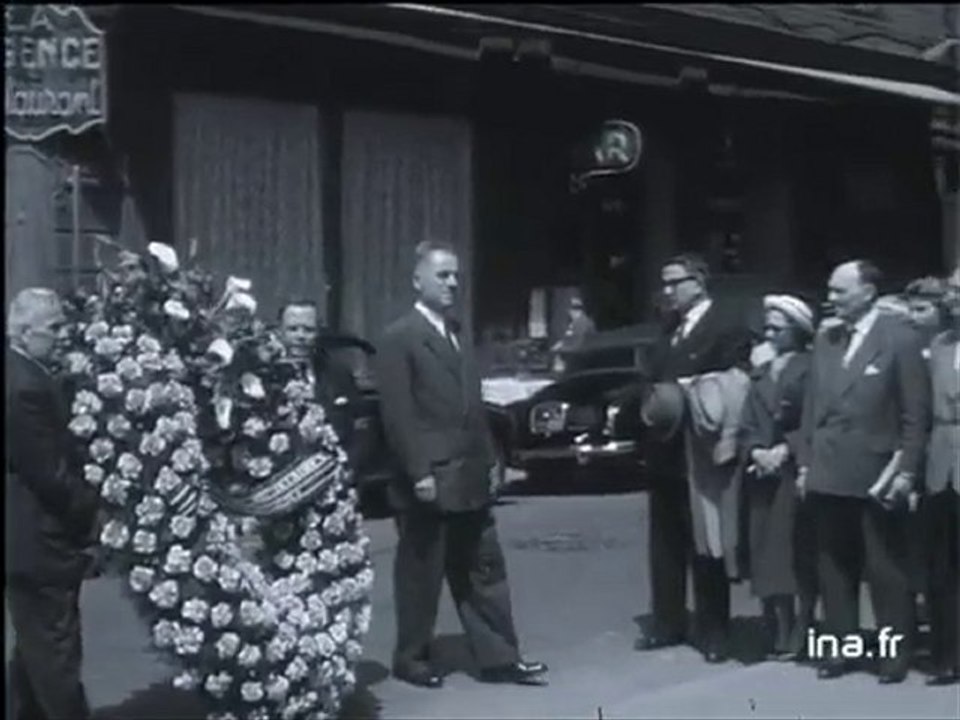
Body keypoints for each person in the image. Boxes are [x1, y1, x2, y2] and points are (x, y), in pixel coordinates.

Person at [375, 241, 546, 689]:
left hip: (469, 476)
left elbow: (474, 408)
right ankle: (412, 657)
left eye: (456, 276)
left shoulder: (456, 332)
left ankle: (500, 657)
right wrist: (419, 474)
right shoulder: (399, 338)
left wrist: (491, 460)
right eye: (442, 275)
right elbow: (398, 417)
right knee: (422, 575)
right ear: (418, 280)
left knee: (484, 569)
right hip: (430, 479)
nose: (452, 283)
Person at [797, 260, 931, 684]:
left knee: (884, 569)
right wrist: (805, 462)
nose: (831, 299)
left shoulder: (900, 340)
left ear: (868, 292)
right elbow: (811, 409)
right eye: (830, 291)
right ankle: (841, 648)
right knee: (834, 566)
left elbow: (914, 414)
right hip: (827, 470)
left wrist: (907, 469)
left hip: (877, 474)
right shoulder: (826, 341)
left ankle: (894, 653)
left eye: (840, 291)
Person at [634, 253, 752, 663]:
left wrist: (689, 387)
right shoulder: (668, 330)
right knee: (665, 543)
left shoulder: (727, 325)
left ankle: (714, 629)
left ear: (699, 282)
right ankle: (668, 622)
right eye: (663, 284)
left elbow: (738, 379)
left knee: (707, 542)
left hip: (702, 450)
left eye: (675, 282)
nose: (667, 291)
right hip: (665, 450)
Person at [5, 288, 100, 720]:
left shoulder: (27, 372)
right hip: (40, 540)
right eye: (54, 328)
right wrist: (92, 511)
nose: (63, 335)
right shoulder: (25, 386)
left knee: (35, 648)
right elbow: (49, 473)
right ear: (25, 333)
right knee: (56, 650)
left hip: (26, 541)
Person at [739, 295, 818, 661]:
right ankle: (773, 620)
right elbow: (748, 420)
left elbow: (814, 417)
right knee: (764, 550)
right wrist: (755, 449)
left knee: (791, 550)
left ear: (797, 330)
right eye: (766, 328)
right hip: (762, 474)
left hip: (792, 468)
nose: (769, 335)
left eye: (778, 328)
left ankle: (799, 626)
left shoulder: (810, 366)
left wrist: (785, 449)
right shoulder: (761, 371)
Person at [922, 268, 960, 686]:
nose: (951, 299)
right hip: (941, 464)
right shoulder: (940, 345)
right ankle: (948, 654)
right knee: (943, 566)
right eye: (950, 291)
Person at [276, 301, 359, 451]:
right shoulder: (263, 375)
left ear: (318, 332)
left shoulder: (338, 372)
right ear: (279, 331)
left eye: (308, 330)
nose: (300, 336)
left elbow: (351, 427)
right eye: (293, 329)